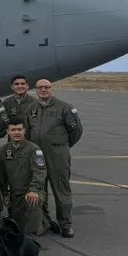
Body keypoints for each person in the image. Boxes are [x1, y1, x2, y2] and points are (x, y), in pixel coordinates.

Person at [26, 79, 82, 238]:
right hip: (37, 157)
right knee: (38, 188)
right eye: (40, 87)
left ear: (51, 89)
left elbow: (76, 131)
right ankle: (43, 221)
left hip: (57, 156)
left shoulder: (65, 108)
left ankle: (65, 224)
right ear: (36, 90)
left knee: (61, 189)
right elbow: (29, 131)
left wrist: (61, 146)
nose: (43, 90)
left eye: (47, 87)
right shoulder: (32, 108)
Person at [0, 120, 47, 236]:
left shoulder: (34, 149)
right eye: (13, 130)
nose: (16, 132)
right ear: (7, 132)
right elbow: (1, 176)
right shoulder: (2, 151)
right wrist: (5, 194)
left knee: (32, 203)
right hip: (14, 194)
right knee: (17, 224)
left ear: (24, 131)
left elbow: (39, 171)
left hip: (31, 191)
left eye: (19, 129)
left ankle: (33, 233)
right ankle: (41, 220)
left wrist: (34, 190)